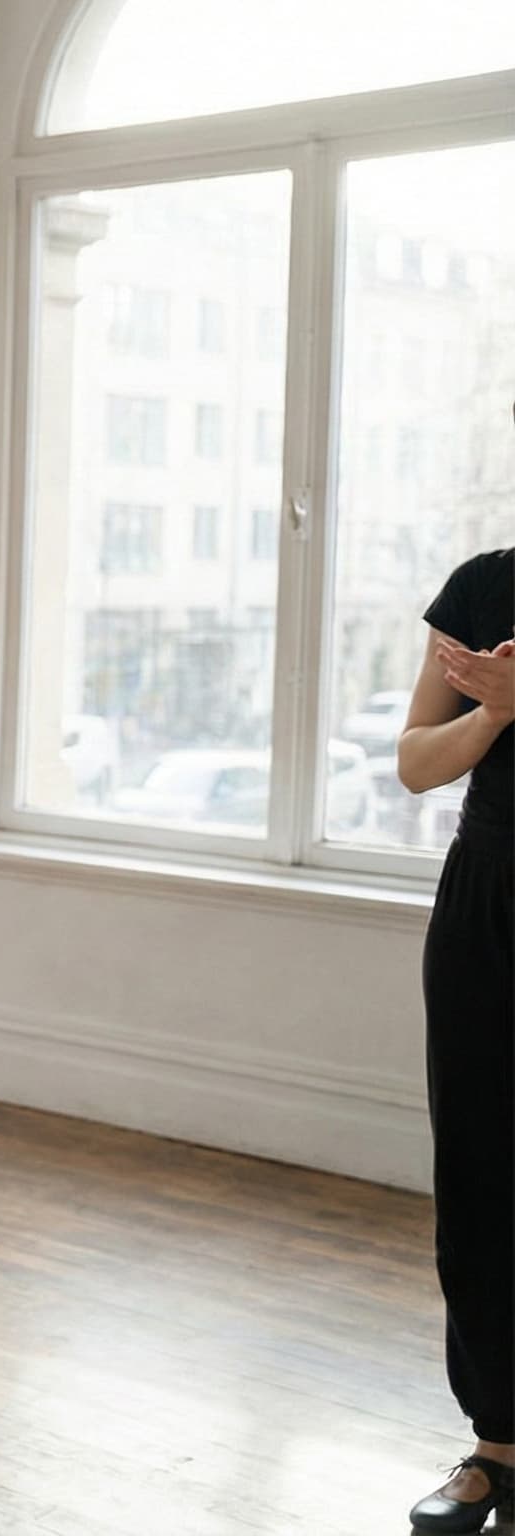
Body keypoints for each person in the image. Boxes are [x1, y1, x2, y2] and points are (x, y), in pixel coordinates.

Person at [395, 533, 512, 1535]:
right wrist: (494, 714)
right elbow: (413, 764)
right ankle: (497, 1445)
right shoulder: (482, 587)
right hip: (488, 899)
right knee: (479, 1173)